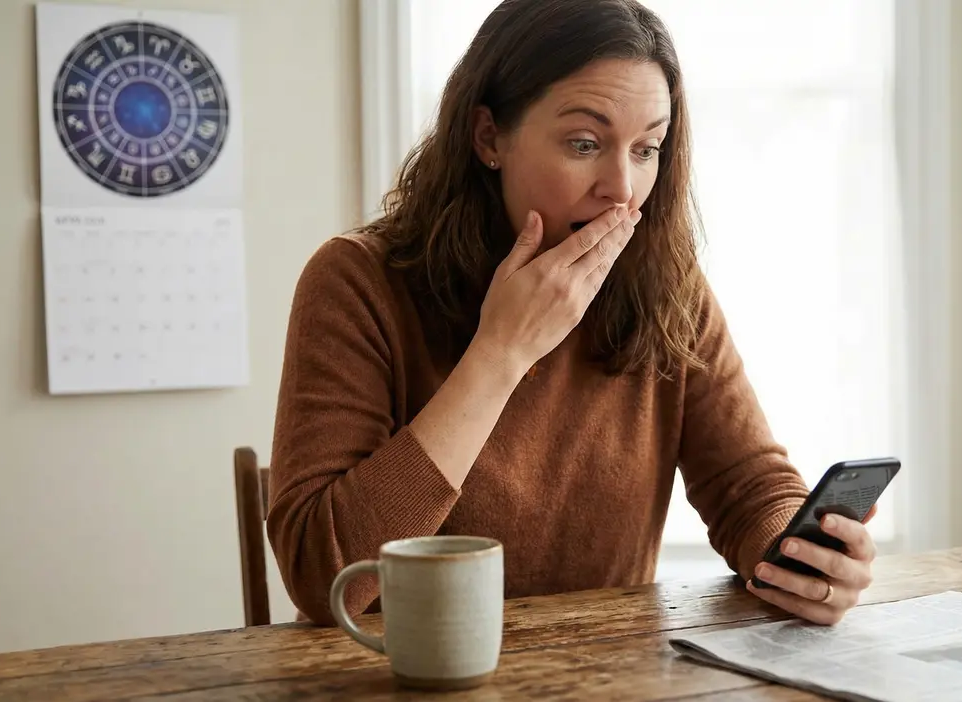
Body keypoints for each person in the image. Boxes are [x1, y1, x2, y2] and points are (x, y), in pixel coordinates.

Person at [266, 0, 878, 628]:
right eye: (585, 143)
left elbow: (748, 487)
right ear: (488, 138)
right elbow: (323, 576)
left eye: (647, 149)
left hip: (603, 675)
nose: (620, 186)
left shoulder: (665, 282)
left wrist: (800, 558)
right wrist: (500, 353)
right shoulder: (355, 281)